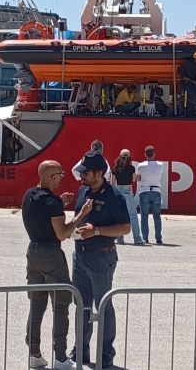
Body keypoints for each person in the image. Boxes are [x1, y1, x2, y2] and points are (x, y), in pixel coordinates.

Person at [22, 160, 93, 370]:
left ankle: (34, 353)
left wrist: (59, 203)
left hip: (33, 251)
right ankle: (61, 357)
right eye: (60, 174)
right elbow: (62, 233)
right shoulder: (52, 203)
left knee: (36, 305)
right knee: (61, 305)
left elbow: (41, 214)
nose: (62, 177)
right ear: (53, 177)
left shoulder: (29, 195)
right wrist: (81, 214)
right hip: (51, 254)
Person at [70, 150, 131, 369]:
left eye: (86, 173)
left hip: (101, 255)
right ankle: (80, 351)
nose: (82, 176)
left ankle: (105, 355)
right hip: (79, 255)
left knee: (103, 305)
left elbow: (125, 227)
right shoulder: (81, 191)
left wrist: (96, 231)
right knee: (81, 304)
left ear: (98, 173)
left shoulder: (114, 197)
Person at [111, 149, 143, 245]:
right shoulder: (131, 168)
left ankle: (120, 239)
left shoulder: (115, 168)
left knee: (119, 216)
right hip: (127, 191)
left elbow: (112, 183)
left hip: (118, 192)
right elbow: (133, 179)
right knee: (133, 216)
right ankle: (137, 238)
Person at [136, 146, 164, 244]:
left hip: (144, 191)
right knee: (157, 215)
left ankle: (145, 237)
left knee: (144, 216)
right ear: (154, 153)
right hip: (156, 190)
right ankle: (158, 237)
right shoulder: (160, 165)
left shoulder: (140, 165)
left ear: (145, 154)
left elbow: (138, 179)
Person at [177, 49, 196, 117]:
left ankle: (189, 113)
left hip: (193, 85)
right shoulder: (187, 63)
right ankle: (181, 114)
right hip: (184, 83)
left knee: (193, 100)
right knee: (183, 99)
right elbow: (179, 69)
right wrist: (184, 77)